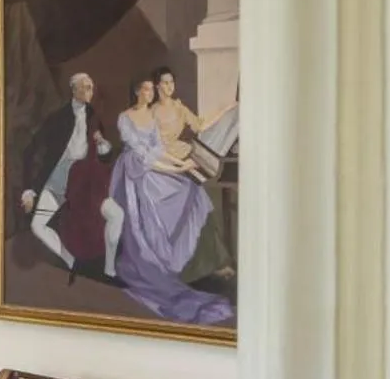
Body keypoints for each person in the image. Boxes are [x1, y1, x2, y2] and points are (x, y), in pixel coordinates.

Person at [107, 74, 234, 325]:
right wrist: (176, 167)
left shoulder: (162, 112)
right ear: (139, 91)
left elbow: (158, 150)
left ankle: (192, 260)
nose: (152, 93)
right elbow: (143, 155)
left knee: (191, 191)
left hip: (158, 164)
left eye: (152, 89)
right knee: (152, 208)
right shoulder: (128, 117)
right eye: (148, 89)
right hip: (136, 171)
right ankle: (159, 260)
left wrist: (180, 164)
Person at [18, 72, 115, 272]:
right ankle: (71, 261)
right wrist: (29, 190)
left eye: (91, 87)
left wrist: (103, 145)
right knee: (37, 226)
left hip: (84, 183)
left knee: (105, 218)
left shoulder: (94, 117)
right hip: (59, 180)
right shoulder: (58, 118)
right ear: (74, 90)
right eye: (85, 87)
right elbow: (31, 149)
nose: (90, 91)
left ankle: (98, 264)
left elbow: (104, 158)